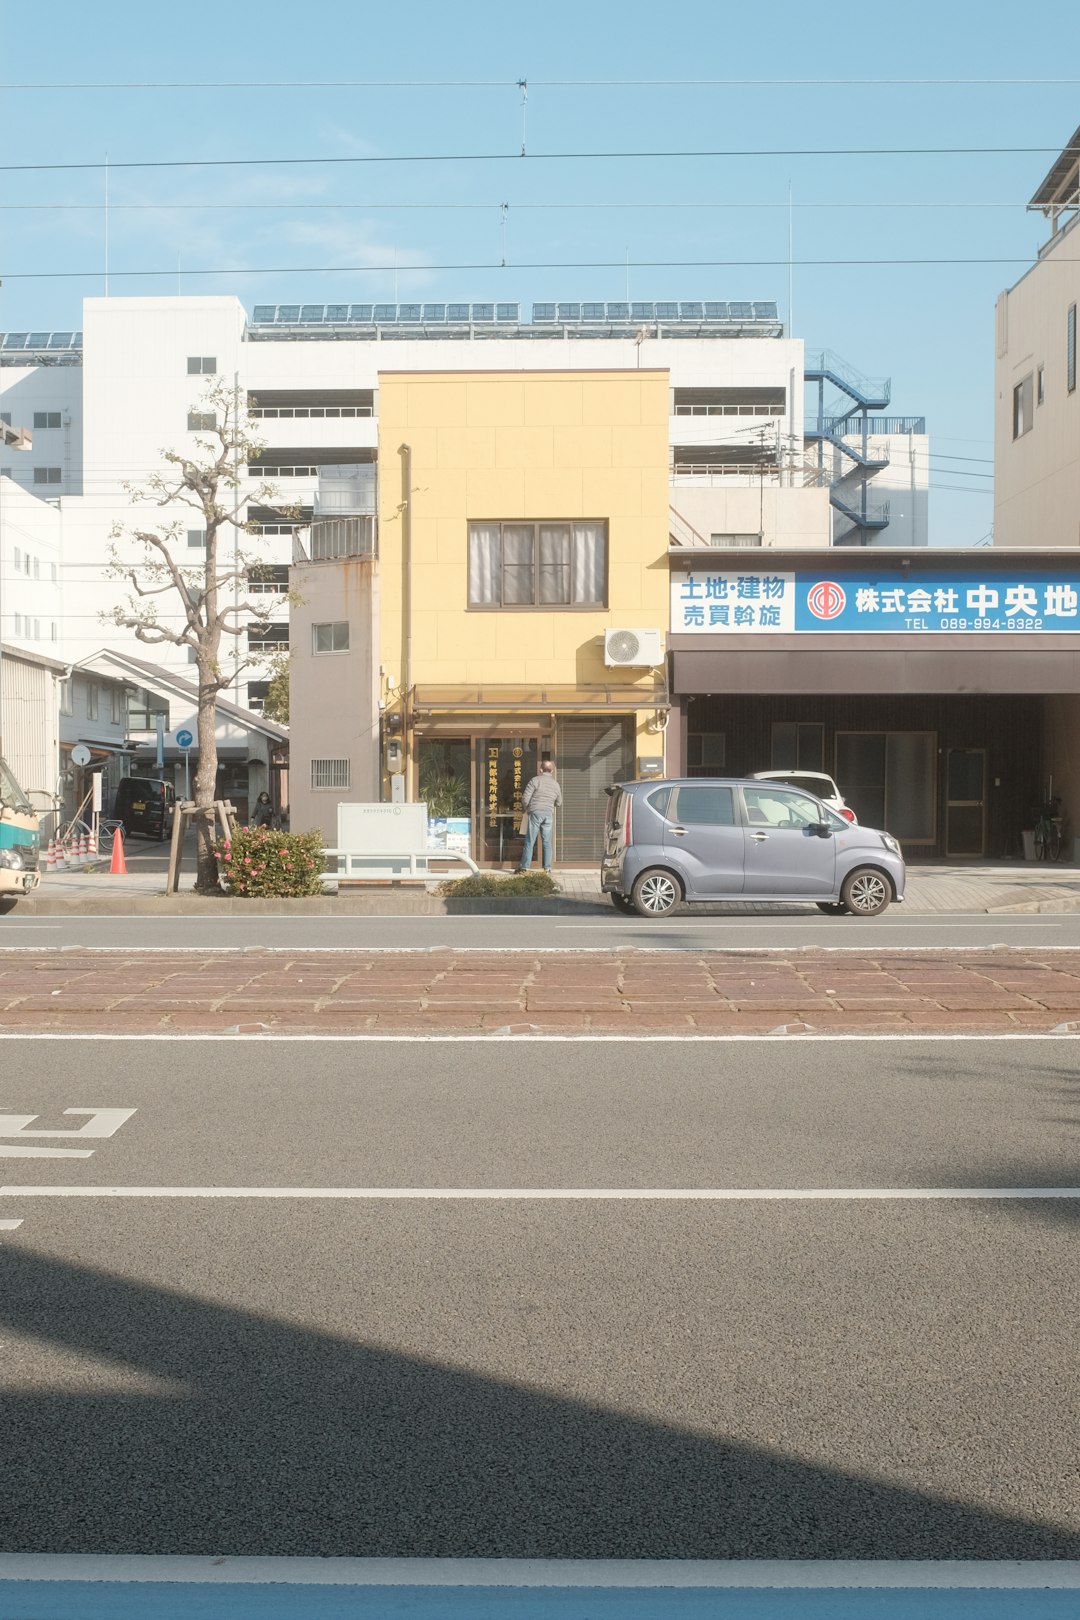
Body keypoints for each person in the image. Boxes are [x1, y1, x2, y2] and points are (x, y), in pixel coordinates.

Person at [518, 759, 561, 873]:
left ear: (541, 769)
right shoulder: (556, 784)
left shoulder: (535, 780)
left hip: (535, 812)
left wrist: (528, 808)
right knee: (547, 842)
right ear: (551, 771)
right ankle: (547, 868)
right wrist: (550, 804)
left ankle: (525, 867)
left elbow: (525, 798)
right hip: (548, 814)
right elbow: (559, 802)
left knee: (530, 841)